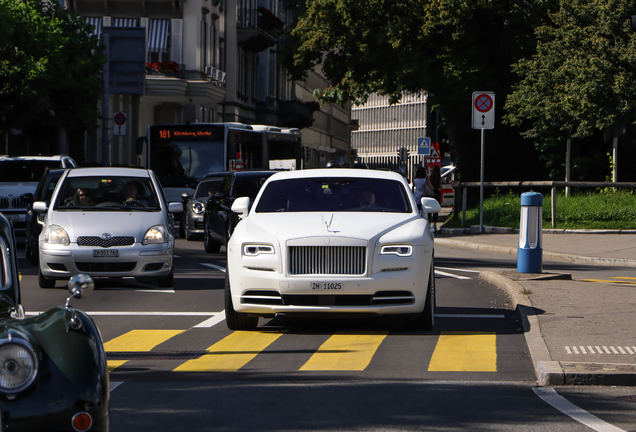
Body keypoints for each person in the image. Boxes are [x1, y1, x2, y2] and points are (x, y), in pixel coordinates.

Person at [428, 165, 442, 231]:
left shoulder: (430, 178)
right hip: (437, 193)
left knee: (430, 210)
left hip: (431, 194)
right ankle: (435, 224)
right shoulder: (440, 178)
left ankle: (429, 224)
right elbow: (440, 186)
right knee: (436, 210)